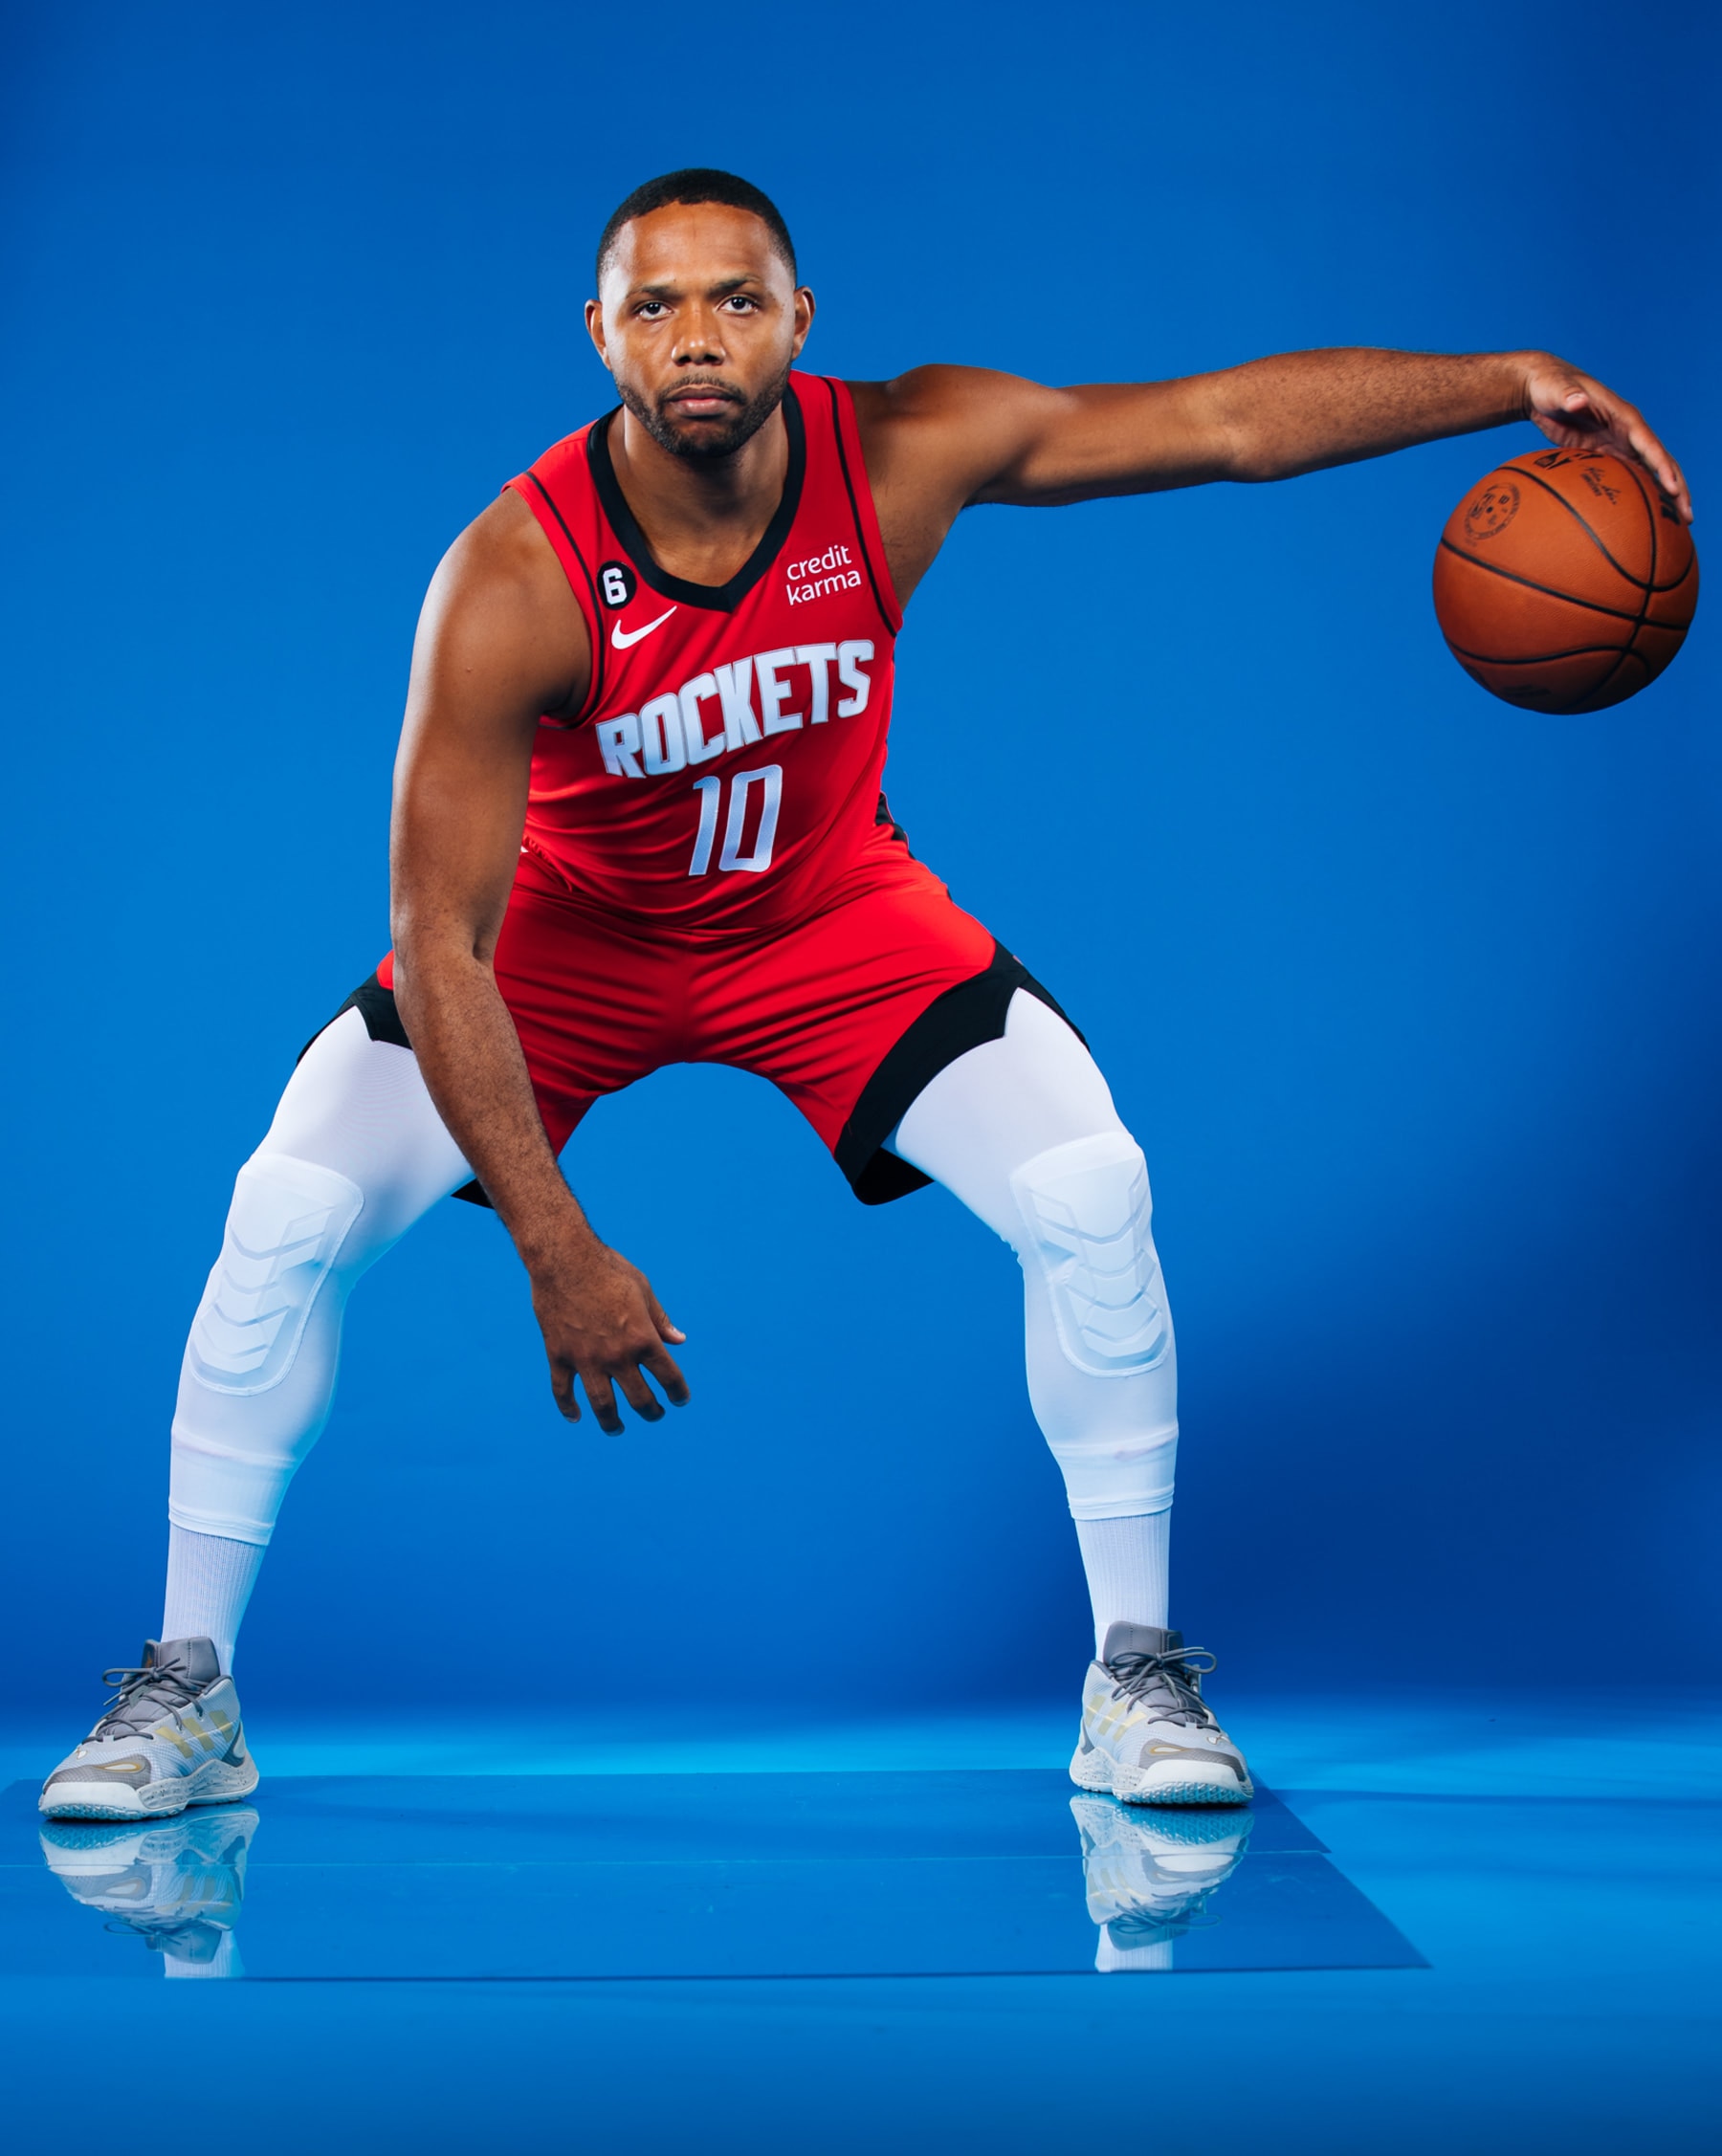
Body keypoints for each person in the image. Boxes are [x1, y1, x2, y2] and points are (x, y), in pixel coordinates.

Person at [40, 169, 1690, 1824]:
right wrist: (556, 1240)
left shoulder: (897, 453)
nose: (699, 337)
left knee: (1090, 1185)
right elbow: (445, 941)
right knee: (284, 1212)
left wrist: (1504, 378)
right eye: (660, 305)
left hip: (826, 920)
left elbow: (1223, 424)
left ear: (798, 322)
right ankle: (185, 1692)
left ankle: (1137, 1673)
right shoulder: (511, 577)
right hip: (564, 947)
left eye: (736, 300)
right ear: (602, 332)